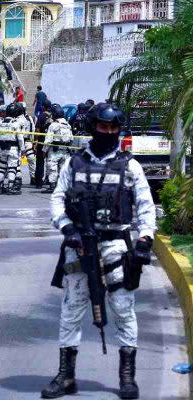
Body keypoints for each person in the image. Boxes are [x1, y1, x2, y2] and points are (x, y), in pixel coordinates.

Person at [41, 103, 156, 399]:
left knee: (123, 308)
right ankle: (66, 376)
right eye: (103, 127)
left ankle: (127, 378)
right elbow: (57, 199)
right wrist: (67, 227)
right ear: (93, 128)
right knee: (71, 310)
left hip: (116, 245)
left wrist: (144, 240)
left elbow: (145, 205)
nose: (108, 132)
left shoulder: (130, 165)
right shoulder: (74, 163)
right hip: (79, 246)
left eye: (113, 128)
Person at [0, 103, 24, 194]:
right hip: (13, 149)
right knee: (12, 168)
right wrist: (23, 149)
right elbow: (20, 138)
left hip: (1, 149)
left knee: (2, 167)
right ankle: (10, 187)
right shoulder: (16, 124)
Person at [42, 104, 73, 194]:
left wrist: (44, 151)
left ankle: (52, 187)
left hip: (54, 151)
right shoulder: (68, 125)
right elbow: (71, 139)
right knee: (63, 169)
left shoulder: (53, 125)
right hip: (65, 151)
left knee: (52, 168)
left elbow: (48, 140)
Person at [14, 103, 36, 184]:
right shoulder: (15, 119)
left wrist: (33, 142)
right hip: (19, 142)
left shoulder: (29, 118)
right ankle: (17, 178)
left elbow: (33, 130)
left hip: (27, 141)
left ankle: (33, 178)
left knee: (31, 159)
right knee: (17, 160)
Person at [34, 99, 53, 188]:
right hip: (51, 143)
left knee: (40, 162)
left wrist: (35, 142)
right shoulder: (53, 117)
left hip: (42, 142)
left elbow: (37, 130)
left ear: (43, 107)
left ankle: (39, 182)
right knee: (51, 162)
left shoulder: (41, 116)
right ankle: (49, 180)